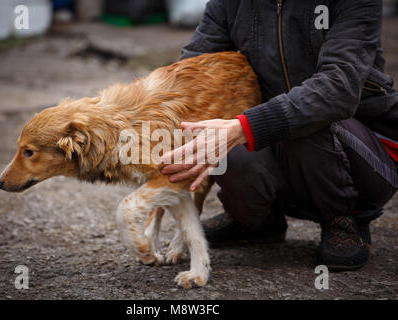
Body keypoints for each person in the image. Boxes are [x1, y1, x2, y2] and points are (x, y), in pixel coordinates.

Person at [161, 0, 398, 271]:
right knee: (211, 133)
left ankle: (344, 217)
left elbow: (337, 89)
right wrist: (141, 119)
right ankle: (256, 220)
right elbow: (192, 69)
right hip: (280, 149)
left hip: (364, 154)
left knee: (306, 118)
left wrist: (244, 128)